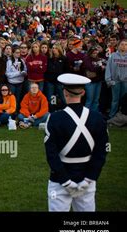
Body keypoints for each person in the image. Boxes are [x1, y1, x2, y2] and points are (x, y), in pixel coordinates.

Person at [45, 74, 109, 212]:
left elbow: (51, 155)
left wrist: (66, 181)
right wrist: (89, 179)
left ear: (64, 92)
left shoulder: (54, 118)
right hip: (87, 179)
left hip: (60, 180)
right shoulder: (98, 118)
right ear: (84, 93)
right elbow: (101, 152)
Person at [105, 39, 127, 118]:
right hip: (115, 81)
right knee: (115, 100)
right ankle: (112, 116)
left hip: (125, 82)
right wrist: (109, 80)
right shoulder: (113, 55)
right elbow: (108, 68)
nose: (124, 46)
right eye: (122, 44)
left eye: (125, 44)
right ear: (118, 45)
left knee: (124, 100)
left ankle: (121, 117)